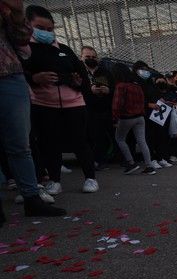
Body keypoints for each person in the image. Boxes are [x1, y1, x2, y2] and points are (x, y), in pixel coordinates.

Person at [0, 0, 65, 224]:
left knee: (20, 143)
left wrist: (16, 12)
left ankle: (31, 197)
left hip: (8, 75)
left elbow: (21, 39)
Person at [23, 4, 98, 195]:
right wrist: (34, 78)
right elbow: (19, 74)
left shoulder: (64, 49)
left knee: (80, 141)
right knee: (50, 143)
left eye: (50, 29)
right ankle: (54, 180)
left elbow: (81, 75)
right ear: (28, 25)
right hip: (44, 103)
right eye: (40, 29)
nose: (47, 33)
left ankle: (90, 177)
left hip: (74, 102)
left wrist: (77, 82)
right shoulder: (25, 50)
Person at [111, 63, 155, 175]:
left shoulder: (120, 86)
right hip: (140, 117)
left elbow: (117, 104)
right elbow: (142, 102)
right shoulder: (137, 85)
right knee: (142, 141)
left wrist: (115, 119)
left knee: (120, 139)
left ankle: (131, 163)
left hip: (126, 117)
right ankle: (149, 166)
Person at [80, 45, 113, 170]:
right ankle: (91, 161)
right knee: (89, 137)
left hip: (104, 109)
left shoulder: (105, 72)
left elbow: (114, 87)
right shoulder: (79, 72)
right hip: (86, 109)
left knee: (102, 137)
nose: (91, 59)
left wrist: (108, 90)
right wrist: (89, 90)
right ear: (81, 57)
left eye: (93, 57)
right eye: (87, 56)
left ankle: (102, 160)